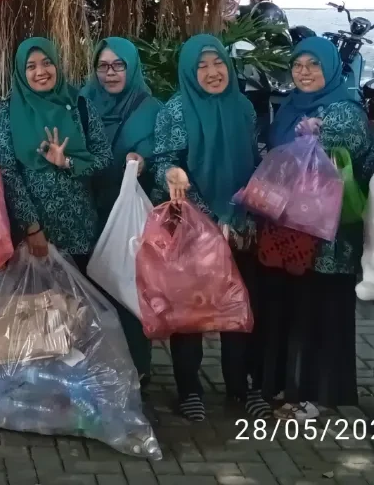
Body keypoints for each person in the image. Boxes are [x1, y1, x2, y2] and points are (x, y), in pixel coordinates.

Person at [153, 33, 269, 422]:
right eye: (201, 65)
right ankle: (189, 389)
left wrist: (243, 214)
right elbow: (163, 164)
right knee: (191, 311)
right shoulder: (175, 111)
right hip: (194, 228)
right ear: (188, 70)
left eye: (217, 62)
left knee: (240, 306)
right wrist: (204, 213)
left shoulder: (243, 108)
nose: (212, 72)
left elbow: (256, 161)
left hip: (241, 226)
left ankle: (241, 386)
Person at [256, 36, 371, 419]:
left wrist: (319, 135)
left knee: (325, 310)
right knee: (298, 309)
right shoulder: (291, 106)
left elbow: (344, 153)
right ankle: (293, 388)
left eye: (313, 65)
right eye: (298, 65)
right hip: (293, 228)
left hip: (331, 233)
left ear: (330, 68)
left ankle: (319, 395)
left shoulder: (344, 109)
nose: (304, 72)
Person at [0, 37, 111, 269]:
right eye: (31, 66)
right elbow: (6, 172)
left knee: (81, 305)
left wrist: (67, 162)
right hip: (32, 240)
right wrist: (32, 227)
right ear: (20, 72)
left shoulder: (80, 106)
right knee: (39, 304)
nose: (41, 72)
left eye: (47, 63)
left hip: (81, 234)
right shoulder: (7, 112)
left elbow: (105, 157)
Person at [81, 37, 161, 382]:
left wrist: (145, 162)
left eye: (118, 65)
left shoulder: (151, 108)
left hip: (130, 215)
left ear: (131, 67)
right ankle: (97, 367)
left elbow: (164, 153)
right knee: (93, 289)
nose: (110, 73)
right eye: (103, 66)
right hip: (90, 210)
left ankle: (136, 369)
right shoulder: (83, 103)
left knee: (129, 289)